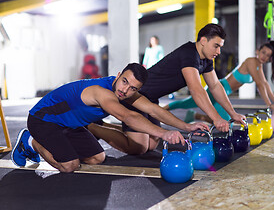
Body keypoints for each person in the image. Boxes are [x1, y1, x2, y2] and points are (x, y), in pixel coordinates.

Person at [11, 63, 208, 173]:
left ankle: (53, 144)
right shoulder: (101, 92)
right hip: (43, 120)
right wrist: (164, 133)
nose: (125, 90)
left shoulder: (126, 92)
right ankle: (30, 141)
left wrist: (186, 127)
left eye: (133, 88)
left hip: (69, 125)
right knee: (69, 166)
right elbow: (128, 117)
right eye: (124, 82)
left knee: (97, 158)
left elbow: (154, 110)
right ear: (119, 74)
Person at [88, 24, 246, 155]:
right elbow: (197, 89)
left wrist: (233, 114)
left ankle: (103, 124)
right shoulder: (189, 53)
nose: (218, 51)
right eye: (216, 46)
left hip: (152, 99)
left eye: (220, 47)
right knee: (138, 147)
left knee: (150, 144)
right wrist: (216, 118)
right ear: (203, 41)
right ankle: (92, 127)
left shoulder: (205, 60)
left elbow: (215, 86)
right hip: (137, 96)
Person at [164, 40, 274, 123]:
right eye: (263, 52)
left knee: (223, 120)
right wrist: (269, 105)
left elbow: (264, 84)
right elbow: (260, 84)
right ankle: (160, 110)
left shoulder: (258, 65)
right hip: (219, 88)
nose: (264, 56)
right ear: (258, 51)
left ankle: (195, 116)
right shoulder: (252, 61)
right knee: (188, 103)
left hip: (225, 91)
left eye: (268, 55)